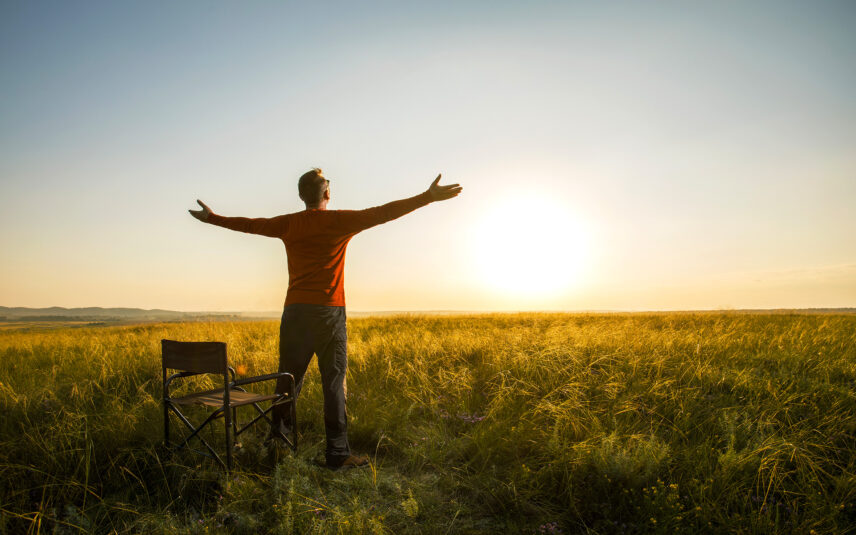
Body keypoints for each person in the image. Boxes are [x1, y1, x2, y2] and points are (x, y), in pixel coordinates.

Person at [189, 169, 462, 470]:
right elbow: (384, 213)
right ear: (327, 194)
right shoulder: (339, 221)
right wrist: (427, 197)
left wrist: (212, 218)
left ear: (301, 196)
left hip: (294, 312)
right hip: (328, 313)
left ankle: (278, 444)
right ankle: (337, 454)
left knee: (287, 381)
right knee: (333, 382)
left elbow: (252, 225)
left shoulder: (289, 223)